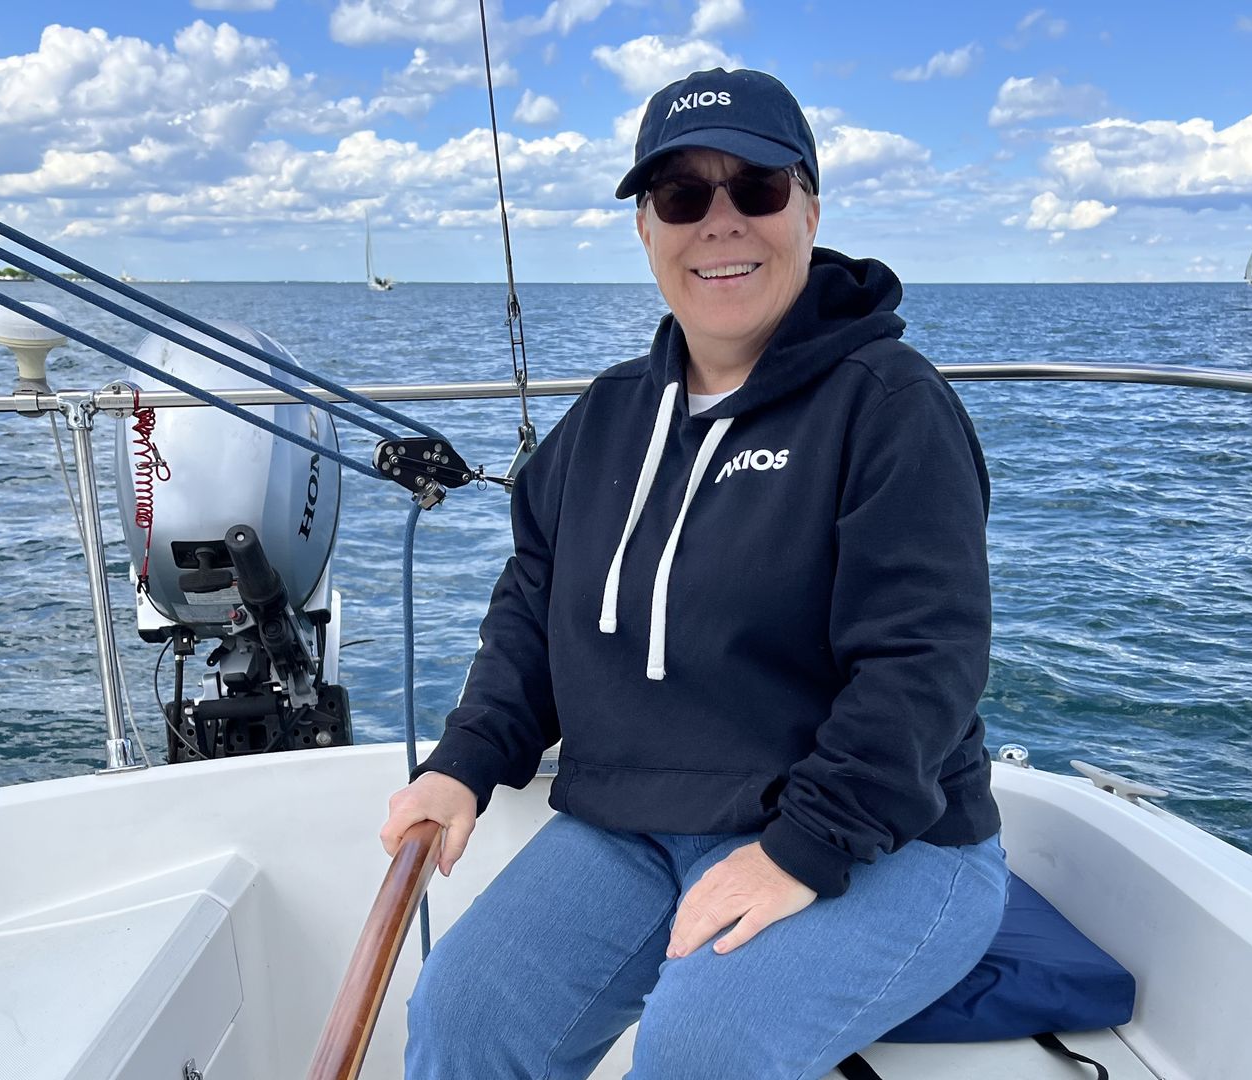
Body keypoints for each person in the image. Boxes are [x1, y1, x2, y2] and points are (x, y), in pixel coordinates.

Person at [383, 67, 1007, 1080]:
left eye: (755, 187)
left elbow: (922, 663)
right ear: (645, 228)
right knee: (464, 1012)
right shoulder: (604, 419)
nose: (720, 222)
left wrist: (802, 849)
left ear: (809, 209)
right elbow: (532, 614)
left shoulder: (890, 407)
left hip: (886, 839)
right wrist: (464, 762)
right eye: (681, 195)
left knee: (703, 1047)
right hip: (636, 825)